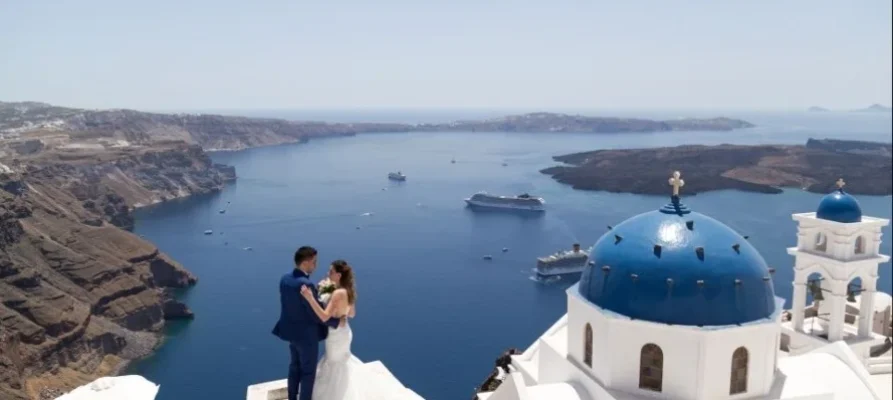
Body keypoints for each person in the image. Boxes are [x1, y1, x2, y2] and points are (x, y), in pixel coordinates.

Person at [272, 246, 341, 400]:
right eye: (314, 262)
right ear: (305, 263)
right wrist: (335, 321)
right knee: (308, 373)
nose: (315, 266)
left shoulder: (285, 279)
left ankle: (291, 397)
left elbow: (289, 305)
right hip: (307, 337)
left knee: (294, 367)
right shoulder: (305, 284)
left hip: (291, 333)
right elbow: (316, 315)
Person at [299, 260, 367, 400]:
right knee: (341, 363)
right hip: (345, 332)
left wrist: (310, 298)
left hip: (336, 336)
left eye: (330, 271)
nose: (327, 273)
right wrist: (341, 313)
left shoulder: (337, 293)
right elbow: (352, 314)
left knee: (334, 365)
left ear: (339, 275)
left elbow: (324, 317)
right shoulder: (348, 291)